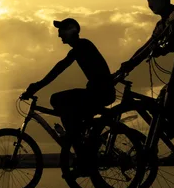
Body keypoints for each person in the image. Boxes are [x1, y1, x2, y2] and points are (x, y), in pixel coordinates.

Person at [23, 17, 115, 149]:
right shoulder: (80, 47)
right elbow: (60, 67)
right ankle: (79, 141)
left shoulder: (82, 46)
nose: (59, 34)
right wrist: (38, 85)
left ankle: (74, 140)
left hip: (99, 93)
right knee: (68, 108)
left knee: (57, 99)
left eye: (61, 30)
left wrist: (37, 86)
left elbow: (59, 68)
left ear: (71, 31)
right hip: (98, 92)